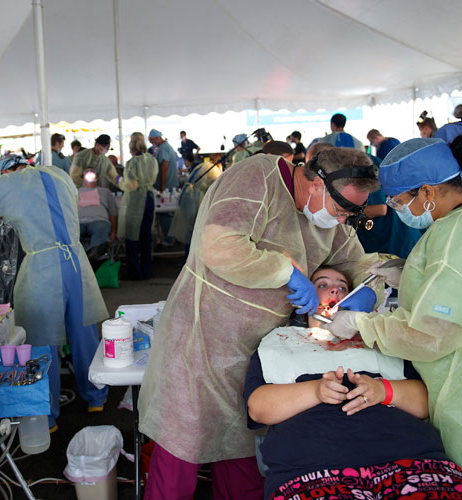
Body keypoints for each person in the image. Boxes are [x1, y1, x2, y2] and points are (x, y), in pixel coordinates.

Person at [139, 148, 381, 500]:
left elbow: (354, 259)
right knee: (182, 448)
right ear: (315, 184)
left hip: (260, 346)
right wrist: (287, 273)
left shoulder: (329, 216)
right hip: (203, 337)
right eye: (341, 211)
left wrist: (365, 289)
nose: (343, 221)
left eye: (351, 214)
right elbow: (219, 245)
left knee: (239, 446)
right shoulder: (259, 177)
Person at [246, 267, 462, 500]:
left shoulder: (381, 338)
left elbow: (425, 404)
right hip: (313, 471)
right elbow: (258, 408)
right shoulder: (279, 343)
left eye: (342, 288)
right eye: (322, 285)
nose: (334, 291)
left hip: (414, 460)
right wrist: (316, 391)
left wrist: (384, 390)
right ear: (303, 296)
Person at [326, 138, 462, 465]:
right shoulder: (448, 228)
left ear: (427, 192)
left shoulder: (450, 240)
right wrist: (412, 276)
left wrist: (364, 324)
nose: (396, 208)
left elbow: (430, 335)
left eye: (398, 201)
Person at [0, 159, 109, 430]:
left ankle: (47, 414)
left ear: (4, 171)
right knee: (85, 333)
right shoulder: (59, 174)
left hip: (42, 267)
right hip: (76, 261)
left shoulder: (4, 185)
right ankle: (96, 396)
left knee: (42, 342)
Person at [118, 132, 158, 280]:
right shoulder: (152, 160)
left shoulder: (132, 163)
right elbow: (153, 179)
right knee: (146, 236)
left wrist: (119, 180)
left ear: (131, 144)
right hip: (149, 197)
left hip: (137, 200)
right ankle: (147, 270)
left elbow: (132, 185)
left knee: (132, 235)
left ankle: (134, 272)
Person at [169, 153, 221, 253]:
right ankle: (191, 258)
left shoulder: (204, 166)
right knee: (194, 231)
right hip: (194, 199)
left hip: (187, 197)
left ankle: (188, 257)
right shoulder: (214, 171)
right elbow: (216, 189)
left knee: (189, 231)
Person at [78, 168, 117, 259]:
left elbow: (113, 212)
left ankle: (95, 251)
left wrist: (113, 232)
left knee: (101, 229)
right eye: (87, 172)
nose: (89, 174)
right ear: (83, 177)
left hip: (99, 220)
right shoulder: (76, 191)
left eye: (92, 173)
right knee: (74, 234)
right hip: (79, 221)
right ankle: (77, 256)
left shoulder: (105, 192)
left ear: (97, 177)